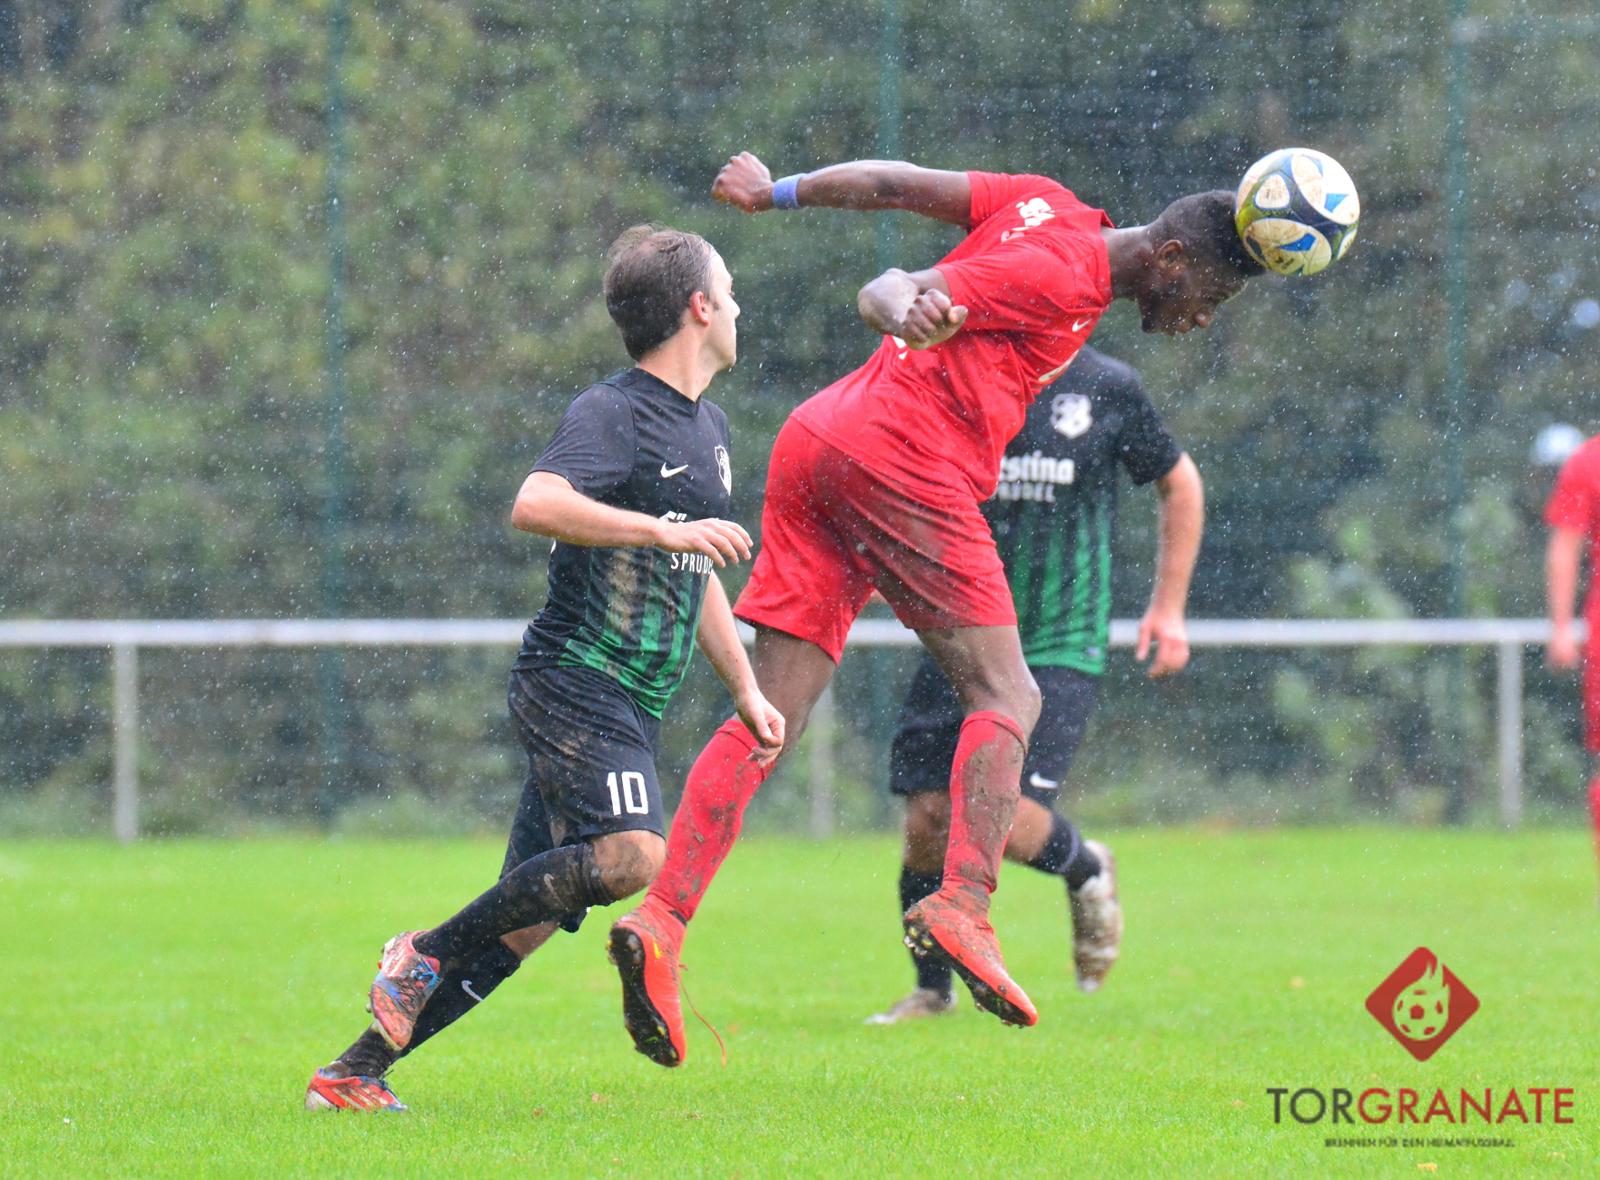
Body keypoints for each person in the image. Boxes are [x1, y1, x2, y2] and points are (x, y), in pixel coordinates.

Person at [607, 151, 1265, 1068]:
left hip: (820, 441)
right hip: (902, 461)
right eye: (1210, 298)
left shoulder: (1049, 203)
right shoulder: (1063, 269)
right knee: (1009, 693)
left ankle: (663, 919)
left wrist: (778, 192)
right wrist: (901, 306)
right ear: (1172, 259)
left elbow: (898, 183)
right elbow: (892, 286)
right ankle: (964, 903)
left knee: (769, 716)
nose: (1201, 318)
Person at [304, 224, 784, 1111]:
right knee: (633, 856)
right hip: (575, 679)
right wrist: (658, 529)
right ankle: (422, 951)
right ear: (699, 307)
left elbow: (693, 566)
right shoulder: (613, 411)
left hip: (629, 702)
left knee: (525, 925)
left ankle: (352, 1073)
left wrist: (747, 688)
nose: (740, 305)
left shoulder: (710, 427)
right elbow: (536, 501)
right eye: (730, 288)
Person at [868, 346, 1202, 1024]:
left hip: (1057, 643)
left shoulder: (1106, 385)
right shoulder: (961, 373)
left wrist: (1168, 608)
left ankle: (1085, 867)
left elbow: (1179, 482)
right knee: (928, 818)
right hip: (960, 631)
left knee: (1002, 817)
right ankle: (932, 992)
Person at [1541, 426, 1600, 896]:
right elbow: (1565, 547)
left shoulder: (1588, 460)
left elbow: (1563, 547)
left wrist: (1562, 628)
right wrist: (1560, 627)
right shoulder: (1588, 461)